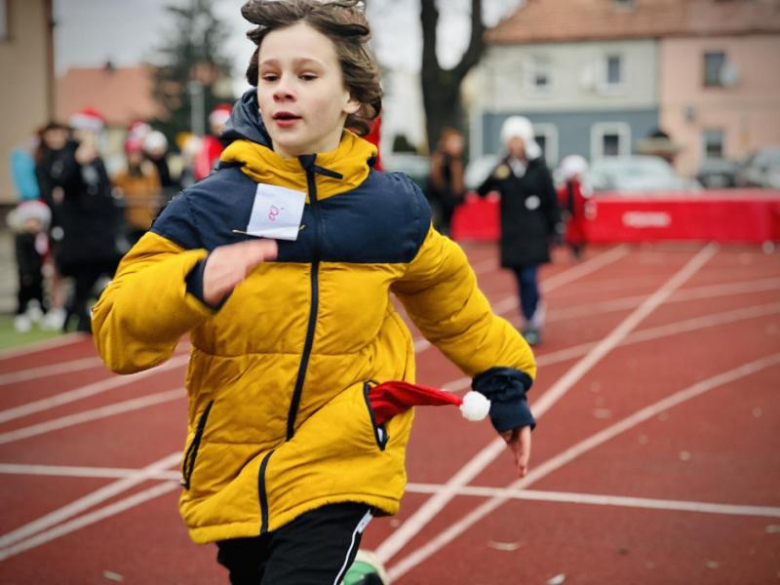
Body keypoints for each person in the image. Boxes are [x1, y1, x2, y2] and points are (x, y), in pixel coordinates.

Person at [92, 1, 537, 583]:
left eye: (306, 75)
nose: (282, 91)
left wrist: (503, 386)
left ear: (352, 96)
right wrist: (193, 282)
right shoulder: (211, 206)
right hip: (236, 461)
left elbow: (456, 308)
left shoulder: (389, 210)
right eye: (270, 77)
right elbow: (116, 332)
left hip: (344, 447)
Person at [476, 116, 562, 346]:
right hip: (512, 232)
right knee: (519, 278)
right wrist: (496, 173)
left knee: (529, 276)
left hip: (534, 231)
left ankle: (532, 322)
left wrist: (557, 227)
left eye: (519, 140)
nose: (515, 145)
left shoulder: (539, 167)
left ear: (526, 141)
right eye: (511, 140)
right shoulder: (503, 167)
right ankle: (528, 314)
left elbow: (550, 199)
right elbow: (482, 191)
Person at [37, 110, 124, 333]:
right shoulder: (67, 157)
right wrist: (77, 161)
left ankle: (76, 314)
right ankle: (75, 317)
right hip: (78, 231)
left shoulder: (98, 161)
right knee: (83, 275)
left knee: (100, 272)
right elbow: (62, 183)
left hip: (100, 231)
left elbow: (105, 194)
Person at [7, 200, 51, 332]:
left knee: (40, 294)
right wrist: (25, 272)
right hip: (26, 273)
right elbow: (21, 257)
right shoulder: (21, 238)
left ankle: (44, 314)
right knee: (24, 295)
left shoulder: (40, 237)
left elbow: (43, 254)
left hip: (38, 272)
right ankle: (21, 316)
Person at [113, 137, 161, 246]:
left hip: (146, 220)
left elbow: (155, 190)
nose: (136, 158)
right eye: (132, 154)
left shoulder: (149, 170)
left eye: (138, 154)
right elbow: (114, 188)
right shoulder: (122, 173)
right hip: (130, 221)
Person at [427, 127, 466, 236]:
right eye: (455, 142)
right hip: (439, 210)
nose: (459, 146)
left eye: (459, 142)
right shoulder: (440, 161)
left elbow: (459, 192)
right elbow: (437, 187)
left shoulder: (457, 162)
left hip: (450, 213)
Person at [557, 155, 591, 260]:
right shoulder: (565, 188)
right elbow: (561, 200)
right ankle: (573, 251)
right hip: (570, 214)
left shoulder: (582, 187)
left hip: (580, 214)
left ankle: (580, 251)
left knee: (581, 233)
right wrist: (563, 211)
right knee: (570, 234)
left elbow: (586, 199)